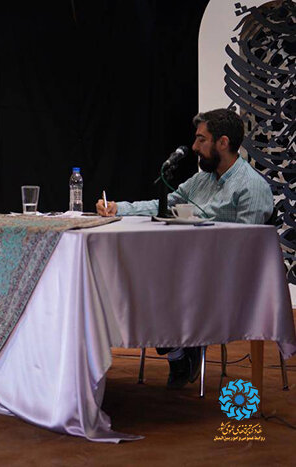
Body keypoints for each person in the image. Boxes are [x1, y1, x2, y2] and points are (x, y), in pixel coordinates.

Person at [95, 108, 273, 389]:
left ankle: (182, 349)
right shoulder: (201, 180)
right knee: (139, 273)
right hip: (189, 268)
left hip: (225, 278)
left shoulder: (252, 187)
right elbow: (165, 205)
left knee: (160, 280)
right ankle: (180, 350)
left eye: (201, 139)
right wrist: (120, 208)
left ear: (223, 143)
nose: (194, 147)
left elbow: (247, 251)